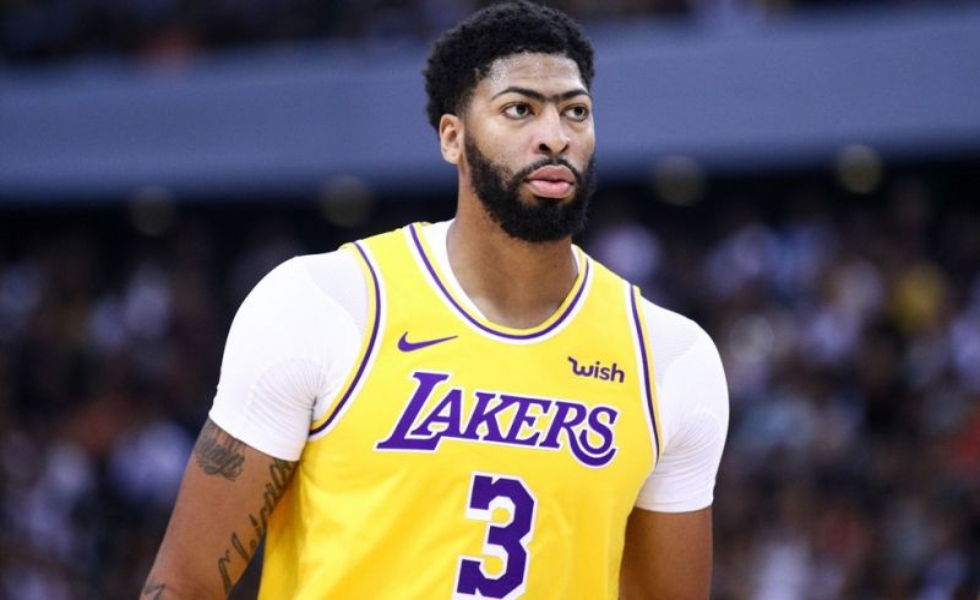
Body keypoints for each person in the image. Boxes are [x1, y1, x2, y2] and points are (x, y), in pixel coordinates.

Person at [142, 1, 729, 598]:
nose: (555, 136)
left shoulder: (669, 358)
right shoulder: (324, 304)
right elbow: (184, 581)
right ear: (453, 137)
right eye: (520, 110)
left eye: (575, 112)